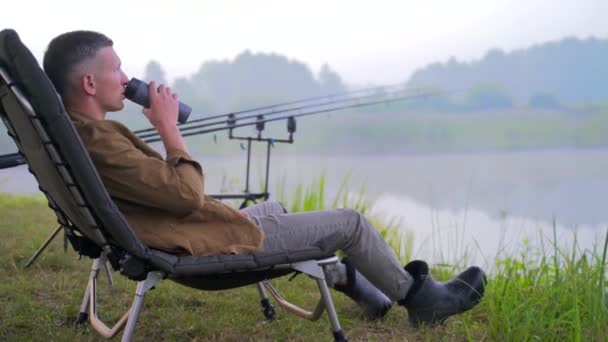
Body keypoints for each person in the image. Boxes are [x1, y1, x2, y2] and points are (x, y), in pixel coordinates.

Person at [43, 30, 486, 326]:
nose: (126, 78)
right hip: (193, 247)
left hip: (175, 235)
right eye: (116, 69)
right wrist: (169, 129)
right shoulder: (100, 140)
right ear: (88, 82)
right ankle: (421, 301)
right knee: (349, 222)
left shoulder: (80, 134)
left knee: (275, 209)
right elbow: (185, 194)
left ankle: (357, 287)